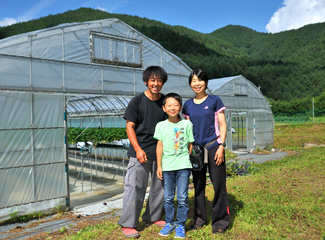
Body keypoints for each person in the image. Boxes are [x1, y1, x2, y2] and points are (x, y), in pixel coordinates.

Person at [118, 66, 168, 238]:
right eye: (152, 80)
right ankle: (128, 223)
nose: (156, 83)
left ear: (163, 83)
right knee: (135, 187)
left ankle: (152, 216)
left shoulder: (165, 102)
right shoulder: (137, 101)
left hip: (160, 151)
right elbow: (129, 127)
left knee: (159, 186)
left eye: (159, 80)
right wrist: (138, 149)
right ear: (146, 81)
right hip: (140, 152)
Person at [182, 69, 230, 234]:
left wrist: (221, 146)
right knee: (198, 185)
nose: (197, 83)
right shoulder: (187, 105)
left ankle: (220, 222)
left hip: (213, 146)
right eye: (194, 80)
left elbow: (222, 124)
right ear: (190, 83)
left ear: (206, 82)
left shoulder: (215, 100)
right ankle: (200, 220)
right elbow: (187, 129)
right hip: (196, 149)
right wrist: (189, 148)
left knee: (218, 185)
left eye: (200, 80)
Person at [154, 93, 194, 238]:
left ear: (180, 107)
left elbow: (190, 145)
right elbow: (159, 146)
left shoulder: (187, 124)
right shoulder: (160, 126)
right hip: (167, 167)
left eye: (176, 105)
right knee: (168, 197)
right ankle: (170, 223)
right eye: (169, 105)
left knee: (182, 197)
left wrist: (183, 158)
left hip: (183, 165)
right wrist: (159, 166)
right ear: (164, 108)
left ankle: (180, 224)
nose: (172, 108)